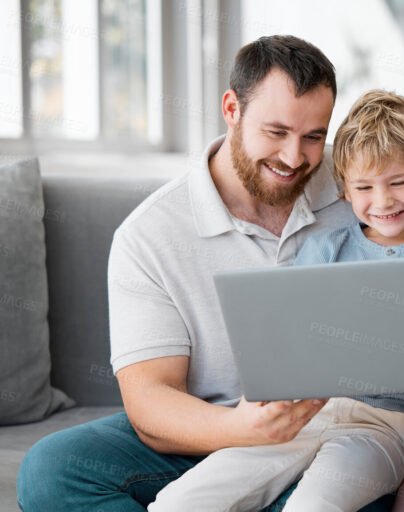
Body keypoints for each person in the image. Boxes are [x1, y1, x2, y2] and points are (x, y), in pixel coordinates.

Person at [17, 35, 358, 511]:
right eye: (275, 132)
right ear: (232, 109)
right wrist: (242, 430)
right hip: (209, 430)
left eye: (313, 137)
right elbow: (151, 402)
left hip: (336, 435)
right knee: (54, 470)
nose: (294, 157)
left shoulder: (361, 193)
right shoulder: (150, 234)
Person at [147, 89, 404, 511]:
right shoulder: (325, 247)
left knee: (314, 505)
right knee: (180, 502)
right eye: (365, 187)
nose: (383, 201)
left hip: (386, 424)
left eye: (400, 182)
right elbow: (288, 336)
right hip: (304, 413)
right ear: (345, 191)